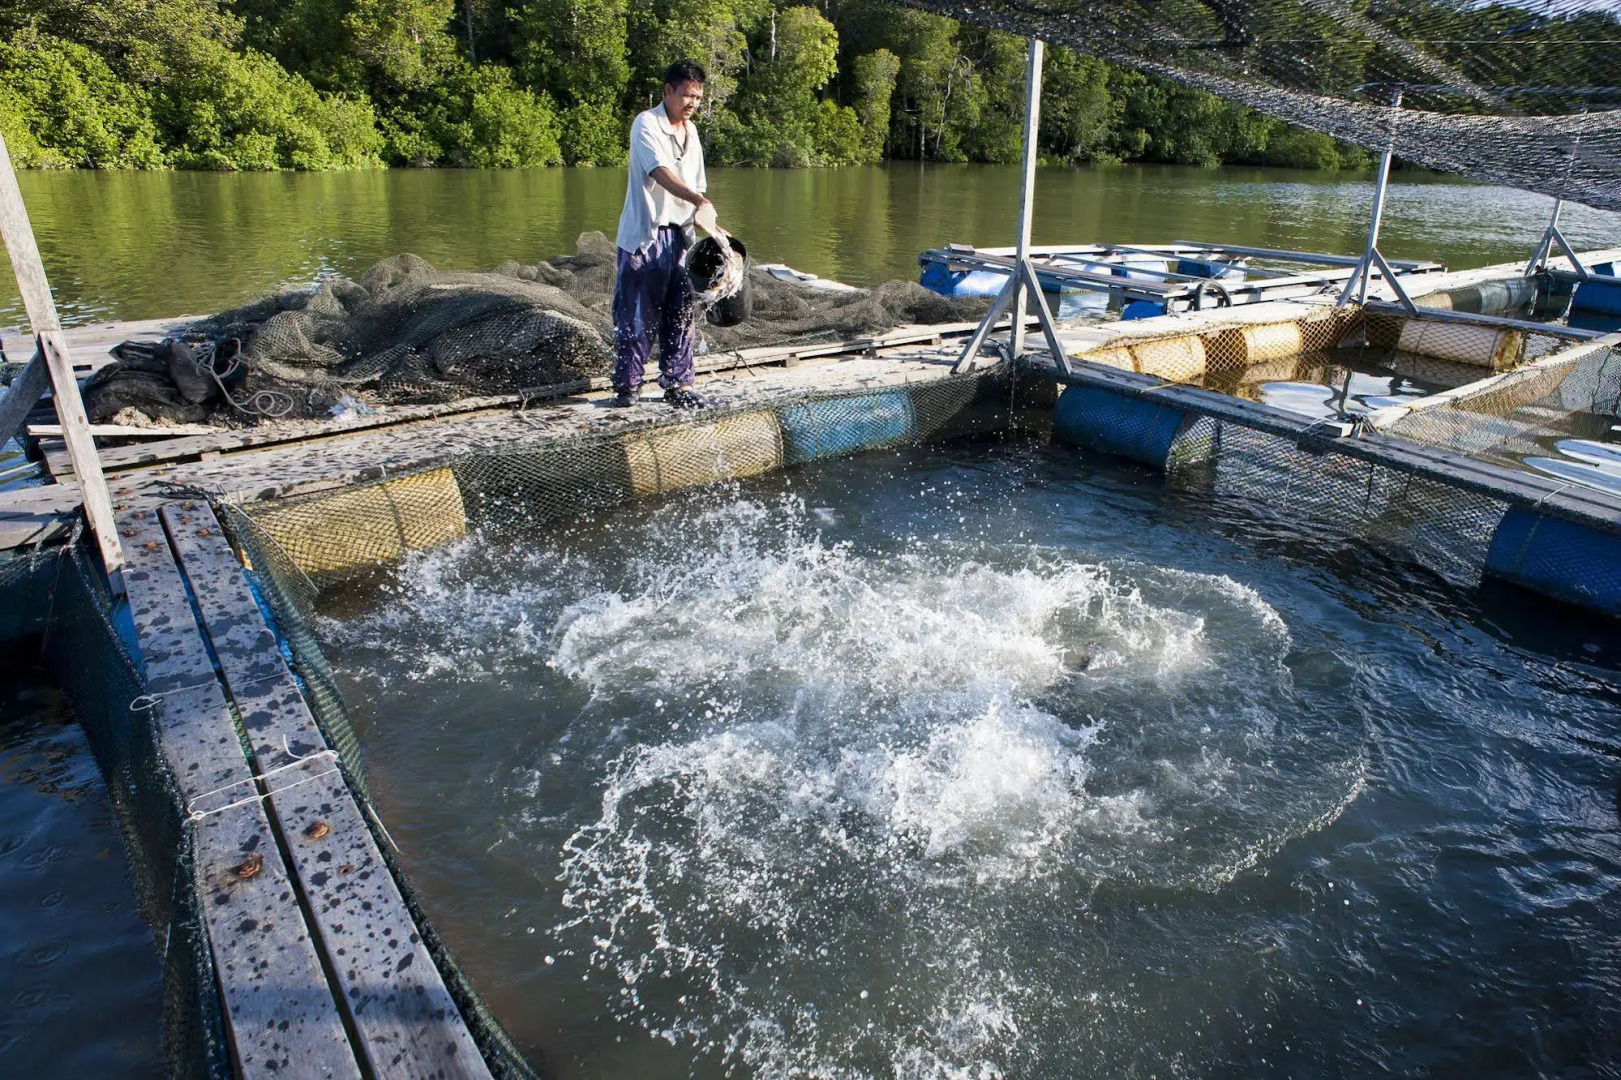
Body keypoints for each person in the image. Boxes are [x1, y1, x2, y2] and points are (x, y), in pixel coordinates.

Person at [610, 59, 715, 409]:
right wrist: (700, 200)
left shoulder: (692, 132)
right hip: (646, 236)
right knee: (637, 313)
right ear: (668, 91)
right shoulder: (646, 123)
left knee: (681, 312)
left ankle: (678, 384)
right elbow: (661, 173)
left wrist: (711, 223)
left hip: (680, 237)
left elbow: (697, 186)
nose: (692, 104)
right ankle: (628, 387)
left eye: (698, 98)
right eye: (687, 95)